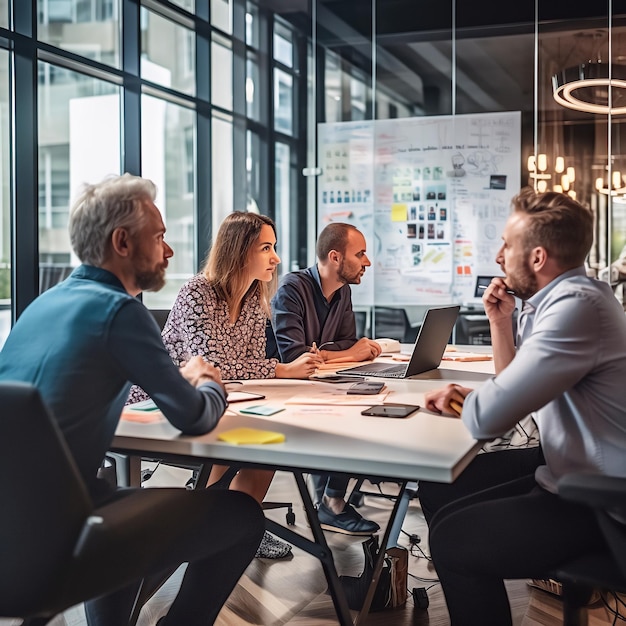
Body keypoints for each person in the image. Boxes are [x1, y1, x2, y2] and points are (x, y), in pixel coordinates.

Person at [0, 173, 265, 626]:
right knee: (241, 515)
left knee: (121, 500)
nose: (170, 251)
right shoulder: (121, 310)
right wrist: (206, 380)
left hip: (13, 531)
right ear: (122, 242)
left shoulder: (42, 305)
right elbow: (196, 418)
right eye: (159, 236)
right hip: (59, 538)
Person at [417, 187, 626, 626]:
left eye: (507, 245)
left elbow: (494, 418)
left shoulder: (575, 310)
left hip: (602, 499)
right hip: (571, 466)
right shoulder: (570, 300)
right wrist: (500, 323)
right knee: (441, 490)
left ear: (536, 257)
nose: (498, 256)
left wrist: (465, 400)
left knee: (452, 540)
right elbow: (516, 392)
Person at [128, 211, 323, 558]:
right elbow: (213, 366)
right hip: (163, 408)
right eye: (266, 248)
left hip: (223, 399)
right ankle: (215, 525)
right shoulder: (196, 293)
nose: (276, 258)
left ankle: (243, 527)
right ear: (238, 251)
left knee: (269, 439)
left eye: (273, 247)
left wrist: (270, 371)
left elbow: (244, 367)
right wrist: (281, 370)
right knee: (250, 437)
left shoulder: (253, 299)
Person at [272, 222, 382, 535]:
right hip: (284, 391)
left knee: (369, 399)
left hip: (320, 384)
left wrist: (336, 355)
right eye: (360, 254)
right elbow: (295, 357)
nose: (367, 262)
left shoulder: (342, 291)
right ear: (335, 257)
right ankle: (331, 504)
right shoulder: (292, 288)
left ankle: (332, 499)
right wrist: (349, 355)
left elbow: (345, 344)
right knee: (351, 413)